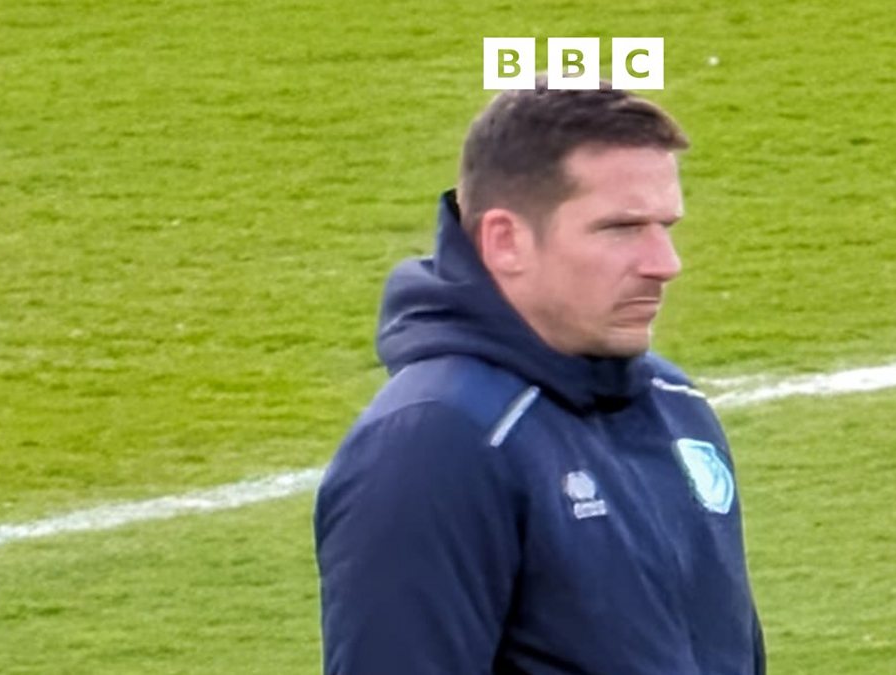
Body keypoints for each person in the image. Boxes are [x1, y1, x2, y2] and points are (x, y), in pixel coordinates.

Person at [314, 78, 765, 674]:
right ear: (506, 241)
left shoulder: (674, 405)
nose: (665, 264)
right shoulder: (436, 444)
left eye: (667, 227)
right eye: (621, 229)